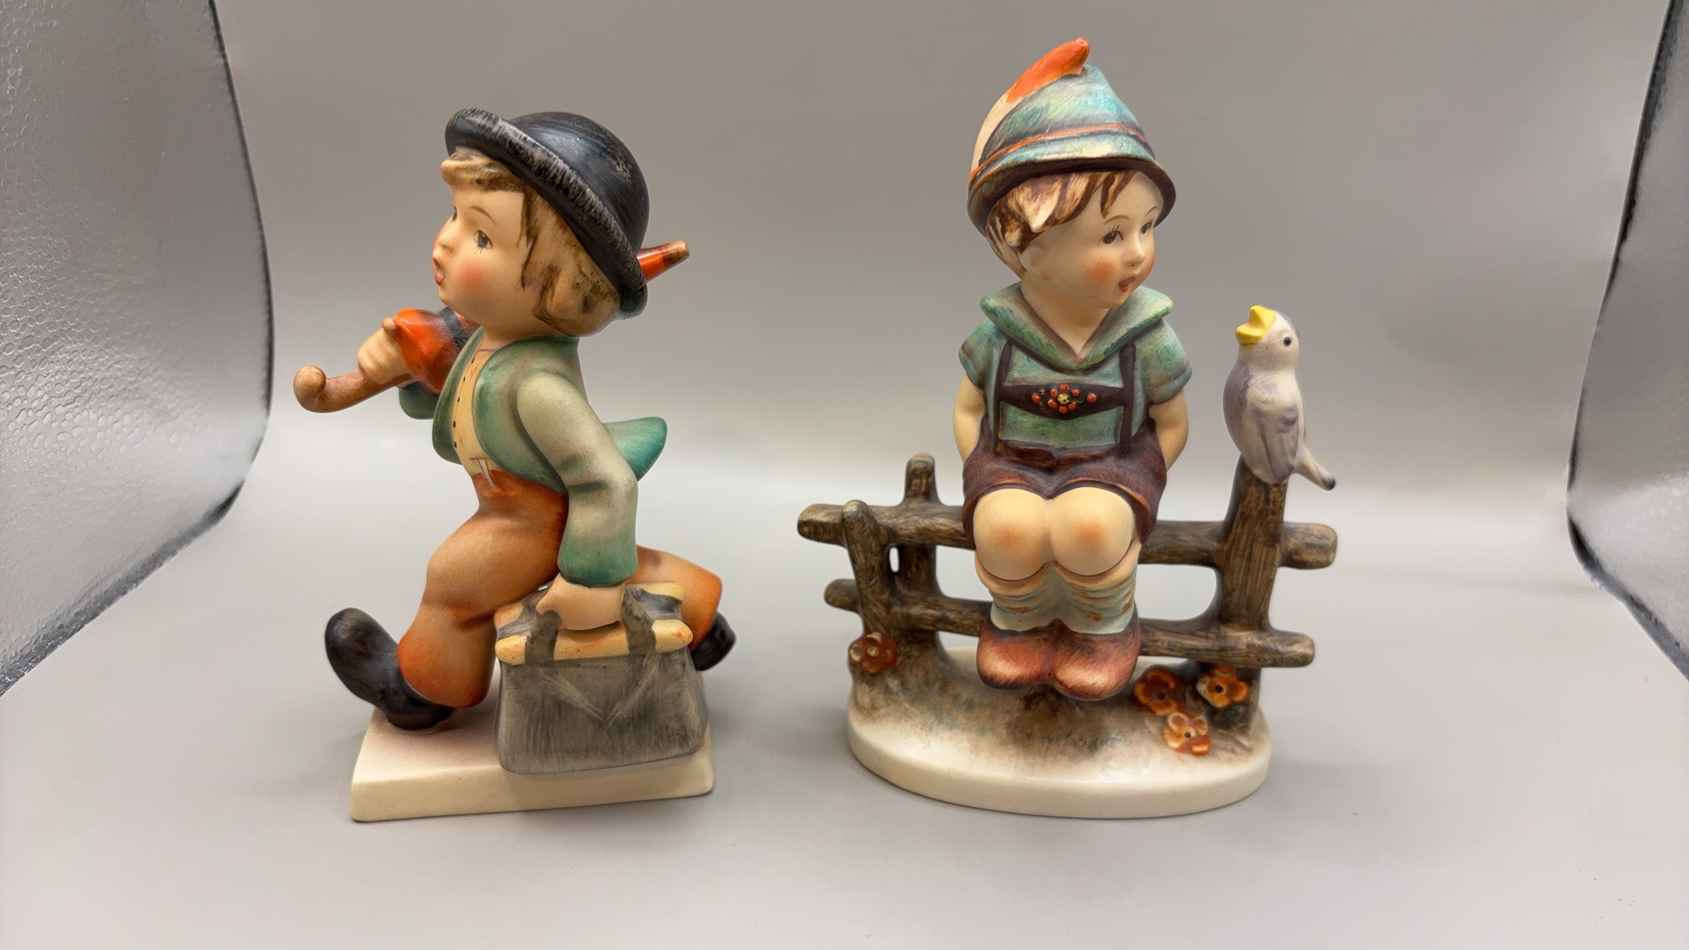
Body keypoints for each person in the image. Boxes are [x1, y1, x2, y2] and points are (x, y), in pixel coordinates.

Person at [323, 108, 734, 729]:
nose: (446, 241)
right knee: (607, 565)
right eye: (454, 217)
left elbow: (605, 481)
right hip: (515, 505)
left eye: (482, 238)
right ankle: (701, 618)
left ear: (561, 287)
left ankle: (422, 688)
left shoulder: (538, 385)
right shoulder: (491, 342)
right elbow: (462, 412)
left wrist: (589, 583)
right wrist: (405, 376)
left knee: (452, 581)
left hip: (526, 519)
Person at [955, 40, 1190, 702]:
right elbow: (969, 407)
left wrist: (1143, 474)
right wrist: (981, 462)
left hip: (1110, 465)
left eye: (1146, 228)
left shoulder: (1145, 335)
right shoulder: (1000, 333)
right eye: (1111, 235)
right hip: (1012, 462)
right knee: (1004, 528)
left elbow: (1171, 421)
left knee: (1090, 527)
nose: (1137, 253)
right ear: (1022, 246)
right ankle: (1019, 625)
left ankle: (1100, 628)